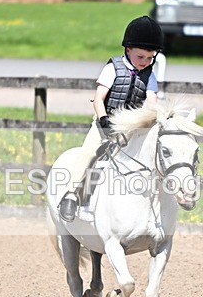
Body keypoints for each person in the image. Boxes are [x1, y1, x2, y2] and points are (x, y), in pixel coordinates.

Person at [58, 16, 164, 222]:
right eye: (141, 56)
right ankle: (71, 194)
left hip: (130, 129)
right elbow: (98, 98)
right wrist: (104, 120)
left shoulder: (149, 76)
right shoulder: (112, 68)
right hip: (104, 124)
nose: (145, 62)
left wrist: (158, 118)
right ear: (128, 50)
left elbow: (151, 101)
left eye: (150, 58)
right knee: (89, 153)